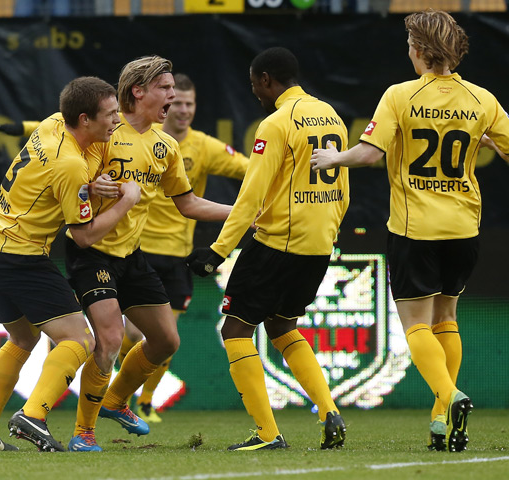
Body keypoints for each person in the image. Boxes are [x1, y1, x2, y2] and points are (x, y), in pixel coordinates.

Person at [310, 10, 509, 453]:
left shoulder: (400, 95)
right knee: (447, 318)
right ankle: (439, 422)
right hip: (463, 227)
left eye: (409, 46)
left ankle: (450, 397)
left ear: (419, 50)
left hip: (414, 228)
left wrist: (332, 159)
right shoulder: (483, 100)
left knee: (416, 324)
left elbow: (367, 154)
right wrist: (492, 142)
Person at [65, 56, 233, 452]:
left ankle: (115, 401)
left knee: (165, 341)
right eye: (164, 88)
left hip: (131, 256)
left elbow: (188, 203)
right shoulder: (105, 131)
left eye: (173, 89)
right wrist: (90, 187)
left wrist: (243, 213)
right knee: (109, 339)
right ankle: (83, 431)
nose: (173, 97)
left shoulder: (165, 146)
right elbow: (69, 177)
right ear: (137, 91)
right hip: (92, 253)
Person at [0, 76, 141, 452]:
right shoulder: (71, 166)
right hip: (18, 256)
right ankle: (33, 415)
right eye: (109, 115)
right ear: (84, 119)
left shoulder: (52, 124)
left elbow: (55, 183)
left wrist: (89, 189)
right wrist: (126, 201)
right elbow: (84, 236)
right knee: (80, 339)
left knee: (23, 338)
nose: (116, 121)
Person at [187, 46, 349, 451]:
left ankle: (266, 433)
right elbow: (343, 188)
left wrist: (217, 251)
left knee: (236, 329)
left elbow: (251, 197)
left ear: (266, 81)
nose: (255, 93)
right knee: (282, 326)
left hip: (279, 243)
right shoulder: (331, 116)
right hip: (318, 244)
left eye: (254, 85)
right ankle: (329, 410)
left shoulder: (277, 123)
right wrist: (328, 232)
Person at [118, 73, 249, 423]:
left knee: (165, 338)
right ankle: (119, 395)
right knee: (130, 335)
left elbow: (249, 170)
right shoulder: (141, 139)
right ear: (163, 104)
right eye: (177, 103)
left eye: (190, 104)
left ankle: (144, 401)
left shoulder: (204, 146)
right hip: (140, 250)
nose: (184, 110)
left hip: (177, 257)